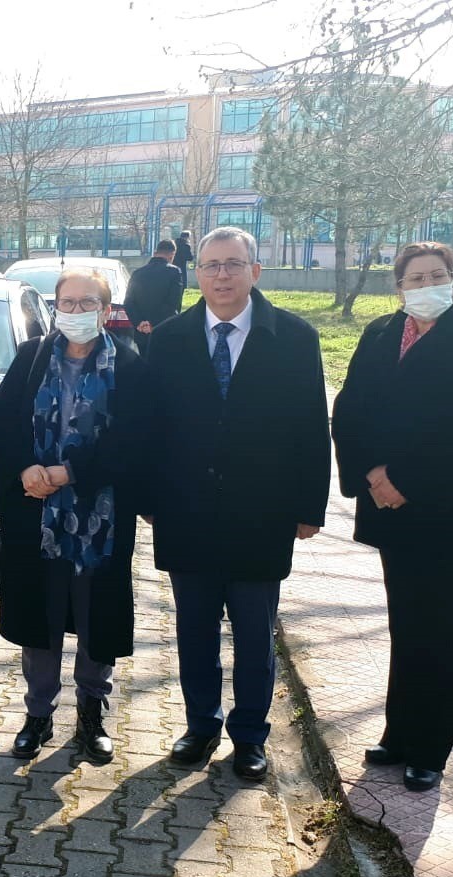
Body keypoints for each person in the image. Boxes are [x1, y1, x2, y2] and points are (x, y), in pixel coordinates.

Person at [144, 226, 329, 782]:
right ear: (195, 273)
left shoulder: (294, 337)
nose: (221, 275)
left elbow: (311, 428)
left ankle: (249, 735)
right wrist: (151, 498)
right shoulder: (171, 338)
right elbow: (152, 428)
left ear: (255, 270)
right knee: (194, 629)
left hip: (261, 513)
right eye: (210, 265)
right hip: (187, 510)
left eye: (232, 264)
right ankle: (200, 724)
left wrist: (309, 506)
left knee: (254, 633)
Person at [331, 242, 453, 792]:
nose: (427, 284)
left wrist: (404, 482)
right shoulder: (382, 335)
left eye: (438, 274)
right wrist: (371, 473)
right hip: (394, 510)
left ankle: (430, 748)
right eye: (416, 277)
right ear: (400, 286)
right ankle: (399, 732)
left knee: (446, 632)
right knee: (407, 624)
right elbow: (351, 406)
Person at [0, 268, 147, 762]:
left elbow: (135, 440)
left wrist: (68, 472)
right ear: (56, 308)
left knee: (97, 618)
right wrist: (28, 469)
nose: (76, 312)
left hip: (101, 518)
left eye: (87, 302)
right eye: (68, 303)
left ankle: (92, 716)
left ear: (105, 308)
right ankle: (38, 716)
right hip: (37, 516)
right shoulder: (33, 357)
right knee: (41, 616)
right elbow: (0, 418)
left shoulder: (131, 364)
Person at [123, 239, 185, 353]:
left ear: (155, 253)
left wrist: (139, 323)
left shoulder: (137, 273)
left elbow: (128, 302)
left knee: (145, 365)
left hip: (141, 332)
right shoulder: (174, 272)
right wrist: (153, 323)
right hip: (164, 330)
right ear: (172, 255)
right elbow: (173, 304)